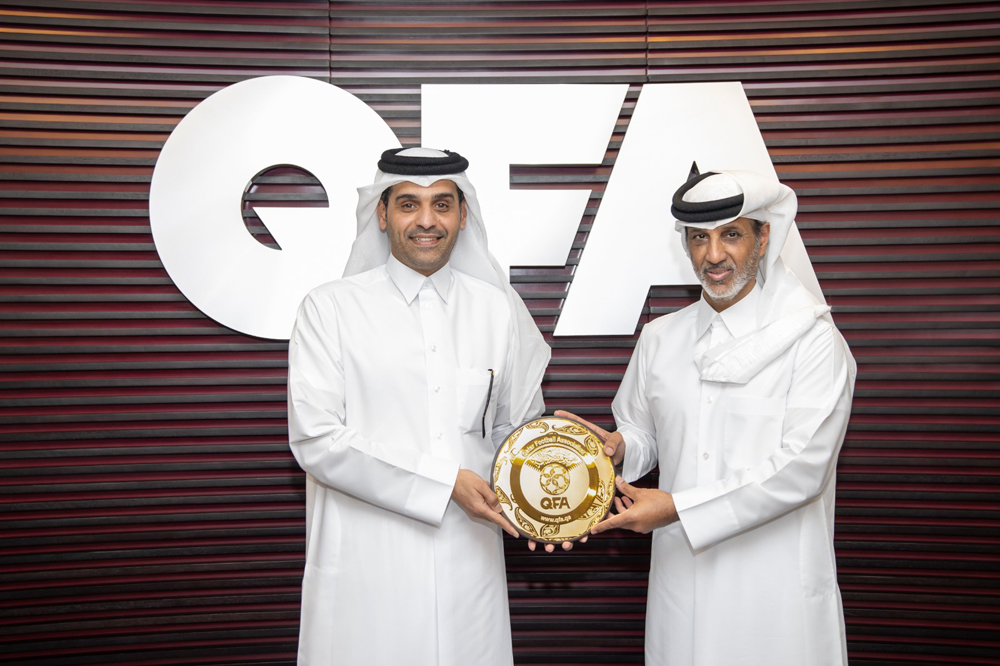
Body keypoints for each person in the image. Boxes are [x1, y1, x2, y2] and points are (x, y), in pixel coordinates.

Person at [561, 168, 856, 665]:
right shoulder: (660, 338)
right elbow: (642, 433)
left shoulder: (811, 339)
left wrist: (677, 508)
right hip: (682, 581)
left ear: (764, 238)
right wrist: (618, 449)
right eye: (700, 238)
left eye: (732, 235)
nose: (714, 255)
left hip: (773, 590)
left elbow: (801, 471)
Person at [286, 147, 551, 666]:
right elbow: (316, 438)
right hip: (367, 562)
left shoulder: (496, 309)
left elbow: (510, 432)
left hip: (468, 559)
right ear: (382, 215)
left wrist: (554, 489)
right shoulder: (330, 308)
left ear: (463, 215)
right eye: (408, 204)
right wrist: (443, 481)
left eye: (442, 205)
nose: (426, 221)